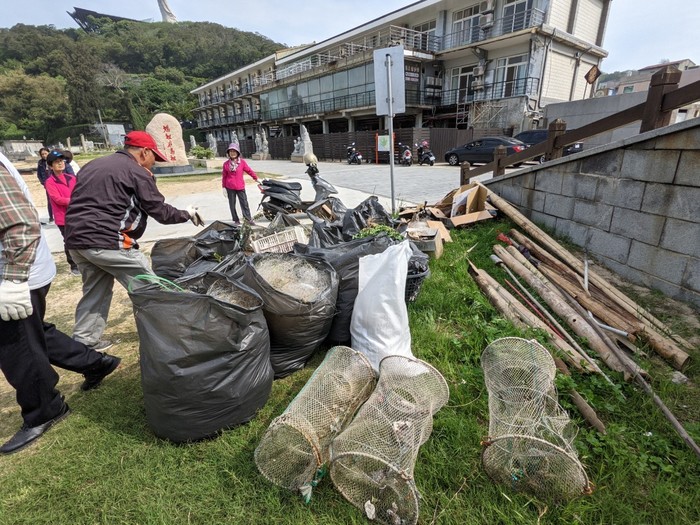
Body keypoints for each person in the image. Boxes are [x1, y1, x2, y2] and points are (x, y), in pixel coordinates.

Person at [0, 152, 121, 455]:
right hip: (20, 271)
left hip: (16, 272)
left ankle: (45, 409)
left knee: (17, 344)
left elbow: (21, 224)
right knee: (33, 333)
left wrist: (13, 280)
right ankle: (97, 362)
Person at [64, 130, 204, 351]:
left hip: (76, 242)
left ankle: (84, 343)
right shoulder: (136, 171)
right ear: (144, 151)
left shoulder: (93, 165)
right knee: (150, 290)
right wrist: (187, 214)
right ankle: (173, 339)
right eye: (153, 159)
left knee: (95, 291)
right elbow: (160, 211)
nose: (153, 164)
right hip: (108, 240)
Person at [44, 150, 80, 275]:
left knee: (81, 237)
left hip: (77, 214)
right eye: (56, 162)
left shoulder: (72, 178)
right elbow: (57, 199)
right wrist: (74, 200)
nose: (60, 164)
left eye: (61, 161)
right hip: (63, 217)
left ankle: (83, 262)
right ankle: (74, 265)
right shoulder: (50, 182)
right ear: (50, 166)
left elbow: (79, 192)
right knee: (69, 241)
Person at [222, 142, 259, 225]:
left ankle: (248, 219)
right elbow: (224, 176)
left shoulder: (242, 162)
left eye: (234, 151)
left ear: (237, 153)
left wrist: (256, 178)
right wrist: (223, 187)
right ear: (228, 153)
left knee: (244, 204)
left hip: (240, 187)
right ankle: (236, 219)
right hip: (230, 187)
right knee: (232, 204)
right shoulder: (226, 164)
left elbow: (249, 170)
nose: (232, 153)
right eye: (230, 151)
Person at [36, 147, 53, 223]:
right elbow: (39, 174)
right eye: (42, 154)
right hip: (47, 184)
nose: (44, 155)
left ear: (49, 153)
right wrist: (43, 183)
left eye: (45, 153)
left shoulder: (53, 160)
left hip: (55, 182)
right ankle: (51, 216)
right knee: (49, 200)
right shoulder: (40, 163)